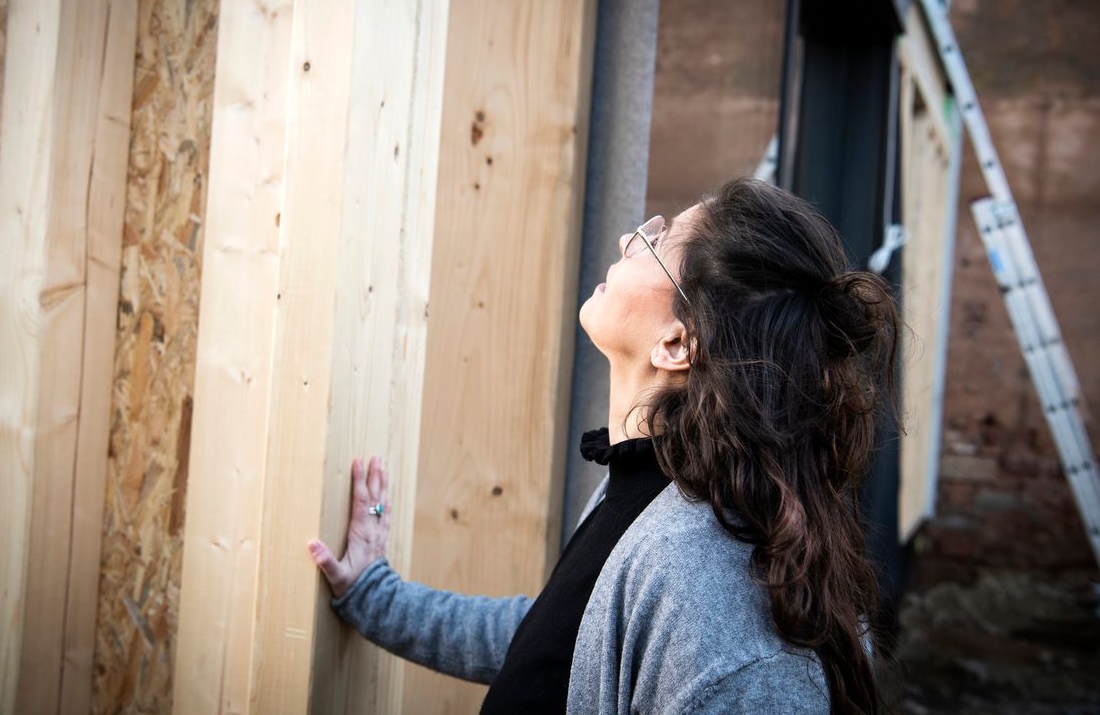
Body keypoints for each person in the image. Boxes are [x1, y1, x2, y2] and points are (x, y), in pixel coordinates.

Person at [308, 176, 900, 714]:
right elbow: (556, 642)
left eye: (657, 239)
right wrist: (371, 593)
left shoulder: (709, 599)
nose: (629, 238)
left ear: (676, 344)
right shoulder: (656, 489)